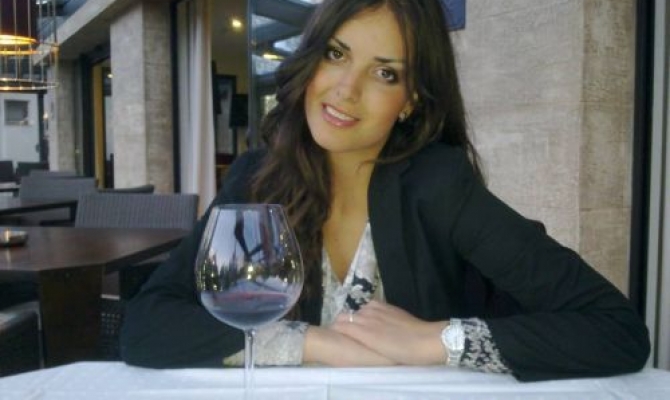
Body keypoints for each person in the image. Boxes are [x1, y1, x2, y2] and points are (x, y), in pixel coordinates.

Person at [120, 0, 650, 382]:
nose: (346, 90)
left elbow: (616, 330)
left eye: (385, 74)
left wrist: (435, 339)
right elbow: (146, 325)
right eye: (336, 54)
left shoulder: (439, 185)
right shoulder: (256, 178)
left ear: (412, 99)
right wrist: (315, 343)